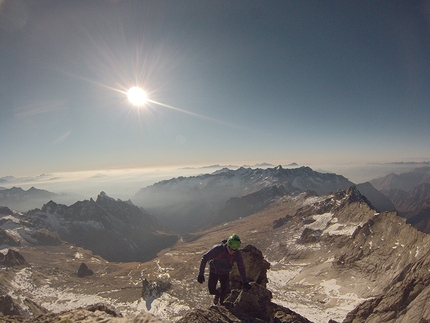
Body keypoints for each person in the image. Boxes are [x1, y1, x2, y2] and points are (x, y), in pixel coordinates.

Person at [197, 234, 251, 305]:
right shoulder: (218, 249)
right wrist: (201, 274)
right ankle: (217, 295)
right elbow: (204, 258)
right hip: (214, 271)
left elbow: (241, 267)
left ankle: (221, 304)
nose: (232, 251)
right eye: (231, 249)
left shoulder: (237, 254)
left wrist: (245, 282)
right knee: (212, 290)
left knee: (224, 289)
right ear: (227, 245)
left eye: (234, 250)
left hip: (225, 272)